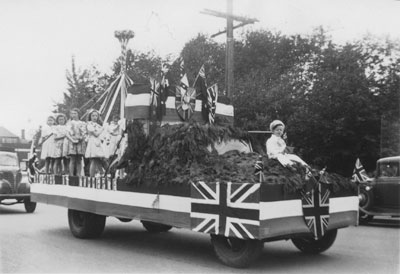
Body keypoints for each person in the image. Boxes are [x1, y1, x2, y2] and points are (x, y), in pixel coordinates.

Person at [65, 108, 86, 176]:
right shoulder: (69, 123)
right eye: (72, 113)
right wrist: (72, 139)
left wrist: (81, 138)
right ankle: (71, 175)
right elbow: (67, 133)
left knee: (79, 159)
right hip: (72, 142)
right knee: (72, 159)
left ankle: (78, 174)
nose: (73, 115)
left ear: (78, 114)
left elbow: (84, 133)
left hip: (80, 142)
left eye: (75, 113)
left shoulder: (82, 123)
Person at [85, 109, 105, 177]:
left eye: (96, 116)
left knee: (98, 159)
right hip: (93, 142)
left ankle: (102, 173)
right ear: (90, 116)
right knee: (94, 159)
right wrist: (102, 129)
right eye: (93, 115)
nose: (94, 117)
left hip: (98, 142)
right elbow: (96, 134)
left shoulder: (98, 125)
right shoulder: (89, 124)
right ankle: (92, 176)